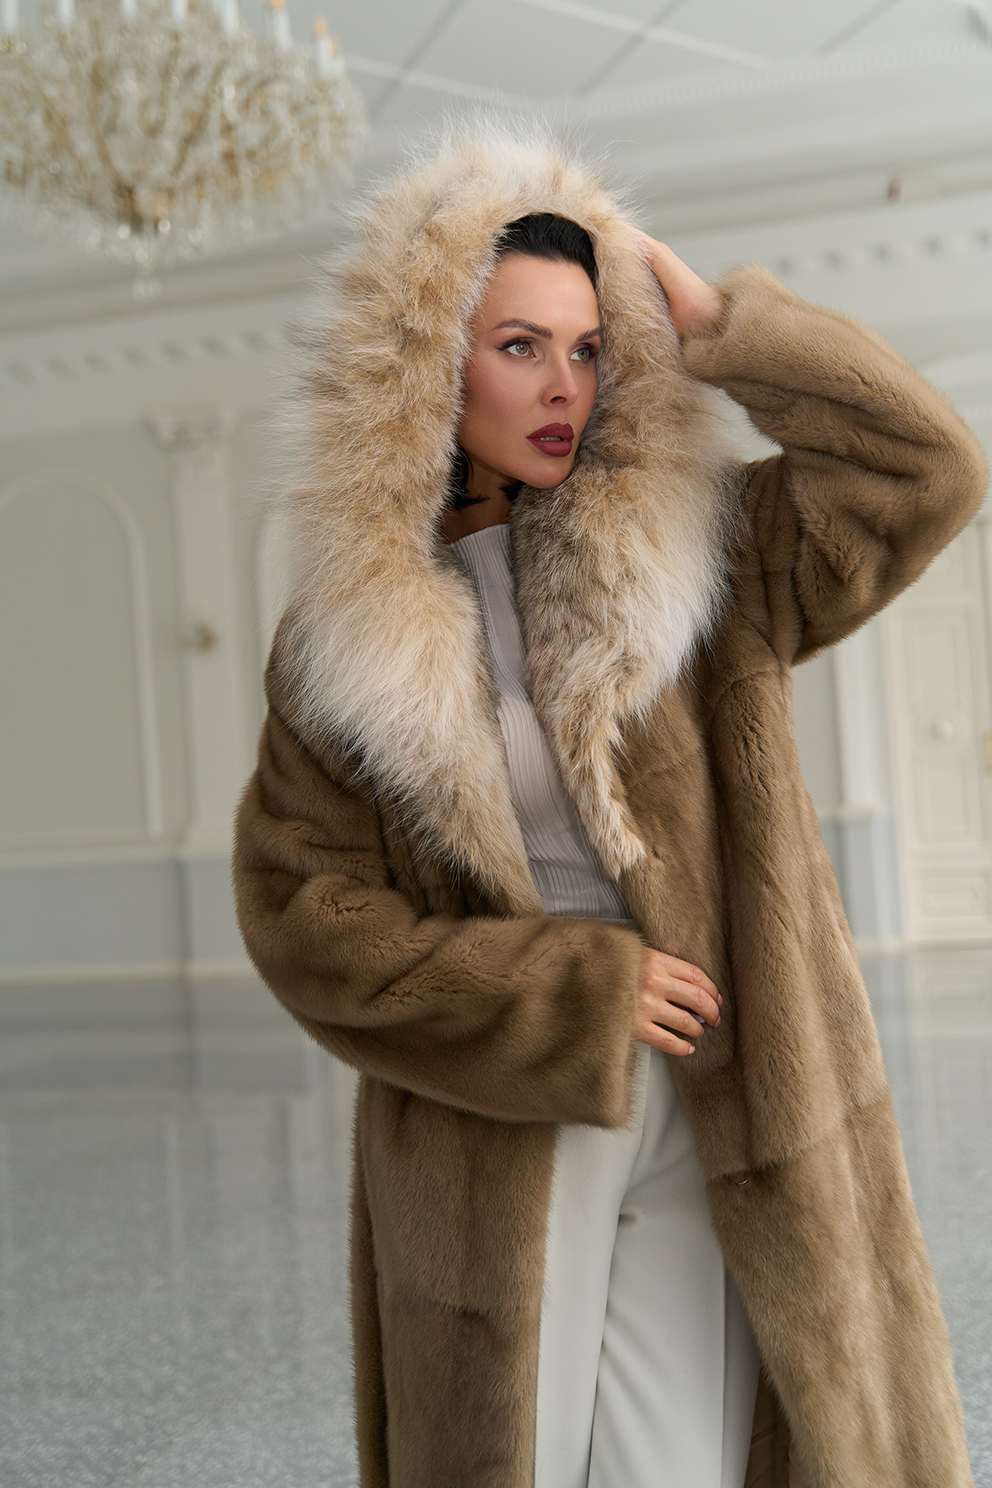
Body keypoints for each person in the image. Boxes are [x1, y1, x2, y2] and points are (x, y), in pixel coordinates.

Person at [233, 129, 986, 1488]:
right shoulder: (336, 642)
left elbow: (926, 473)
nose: (563, 386)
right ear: (424, 360)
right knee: (514, 1458)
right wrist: (566, 990)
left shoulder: (709, 555)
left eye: (587, 349)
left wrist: (725, 332)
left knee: (673, 1463)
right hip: (498, 1110)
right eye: (520, 346)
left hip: (723, 1083)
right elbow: (304, 913)